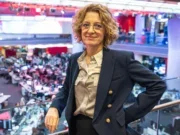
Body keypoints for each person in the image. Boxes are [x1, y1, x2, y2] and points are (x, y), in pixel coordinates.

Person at [44, 4, 166, 135]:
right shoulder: (75, 59)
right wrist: (54, 107)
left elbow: (157, 85)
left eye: (98, 25)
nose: (90, 30)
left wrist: (125, 116)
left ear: (106, 30)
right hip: (76, 128)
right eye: (86, 25)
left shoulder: (121, 59)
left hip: (106, 130)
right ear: (80, 29)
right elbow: (66, 89)